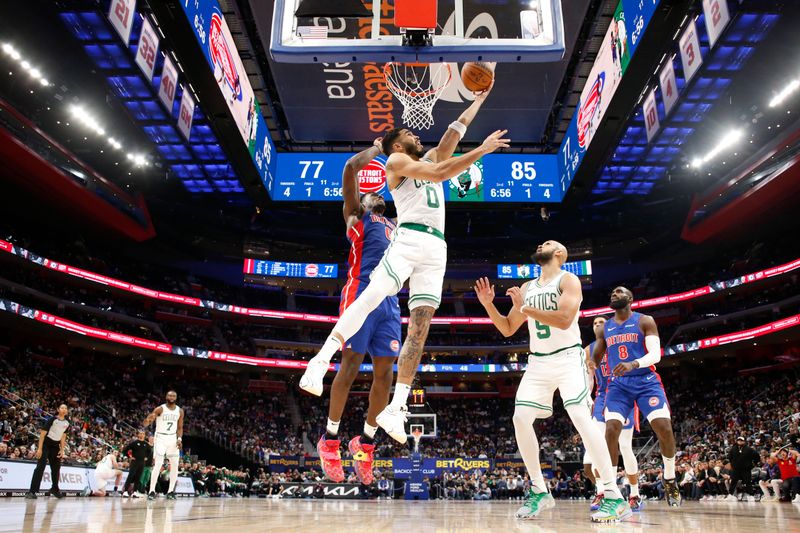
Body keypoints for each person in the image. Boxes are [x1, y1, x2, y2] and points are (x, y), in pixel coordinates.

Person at [300, 81, 507, 443]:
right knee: (371, 294)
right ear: (398, 145)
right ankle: (320, 360)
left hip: (436, 247)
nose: (417, 134)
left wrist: (479, 100)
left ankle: (396, 407)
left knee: (421, 327)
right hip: (409, 238)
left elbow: (453, 132)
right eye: (410, 133)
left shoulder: (429, 157)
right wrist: (484, 151)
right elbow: (441, 174)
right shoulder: (396, 161)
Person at [474, 240, 630, 522]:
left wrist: (525, 310)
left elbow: (564, 319)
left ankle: (613, 494)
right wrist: (489, 306)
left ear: (559, 254)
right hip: (539, 362)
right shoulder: (526, 288)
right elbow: (508, 328)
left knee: (580, 417)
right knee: (520, 417)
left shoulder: (567, 280)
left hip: (569, 358)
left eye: (548, 242)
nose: (540, 244)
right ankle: (539, 490)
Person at [303, 140, 400, 485]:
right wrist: (377, 150)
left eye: (382, 196)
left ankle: (366, 444)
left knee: (386, 374)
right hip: (360, 293)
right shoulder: (356, 216)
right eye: (374, 194)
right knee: (350, 365)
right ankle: (330, 439)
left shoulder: (396, 226)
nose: (380, 197)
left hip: (390, 302)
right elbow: (349, 169)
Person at [591, 286, 681, 507]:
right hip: (618, 385)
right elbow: (597, 353)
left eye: (619, 292)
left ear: (630, 299)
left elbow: (655, 355)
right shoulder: (606, 328)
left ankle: (669, 477)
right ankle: (611, 489)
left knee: (664, 427)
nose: (613, 294)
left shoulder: (645, 321)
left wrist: (633, 363)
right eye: (611, 292)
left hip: (645, 381)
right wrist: (592, 361)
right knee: (611, 429)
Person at [582, 316, 641, 512]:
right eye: (595, 324)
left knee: (624, 446)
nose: (598, 325)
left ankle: (635, 494)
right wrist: (586, 397)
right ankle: (602, 492)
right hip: (601, 397)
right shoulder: (588, 350)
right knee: (599, 445)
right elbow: (589, 379)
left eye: (601, 322)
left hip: (623, 392)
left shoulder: (619, 340)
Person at [143, 390, 184, 500]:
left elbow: (180, 428)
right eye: (170, 395)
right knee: (158, 464)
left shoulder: (180, 411)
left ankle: (170, 491)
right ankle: (151, 491)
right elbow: (148, 421)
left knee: (175, 465)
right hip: (160, 437)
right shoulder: (160, 409)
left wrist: (179, 439)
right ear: (166, 396)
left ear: (176, 398)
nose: (171, 397)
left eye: (174, 395)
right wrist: (148, 420)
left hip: (172, 438)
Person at [25, 404, 70, 499]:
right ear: (58, 409)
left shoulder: (67, 423)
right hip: (46, 445)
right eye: (62, 407)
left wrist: (62, 450)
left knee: (56, 469)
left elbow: (63, 437)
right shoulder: (52, 419)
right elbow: (42, 434)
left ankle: (55, 489)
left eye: (65, 408)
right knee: (40, 467)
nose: (64, 409)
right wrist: (40, 449)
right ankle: (32, 491)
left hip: (55, 447)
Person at [727, 436, 758, 500]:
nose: (740, 441)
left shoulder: (749, 449)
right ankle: (730, 495)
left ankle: (751, 495)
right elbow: (729, 457)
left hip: (745, 469)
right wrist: (733, 464)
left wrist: (753, 464)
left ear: (744, 441)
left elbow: (756, 456)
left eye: (741, 440)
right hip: (736, 469)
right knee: (733, 481)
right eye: (738, 440)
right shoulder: (733, 449)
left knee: (748, 482)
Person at [121, 430, 150, 497]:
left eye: (143, 434)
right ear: (138, 435)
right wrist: (130, 457)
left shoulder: (146, 444)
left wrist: (146, 457)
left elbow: (149, 451)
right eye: (140, 433)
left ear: (145, 435)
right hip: (135, 462)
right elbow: (125, 450)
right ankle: (125, 491)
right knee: (130, 476)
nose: (142, 435)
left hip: (142, 463)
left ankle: (135, 492)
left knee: (138, 477)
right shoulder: (134, 442)